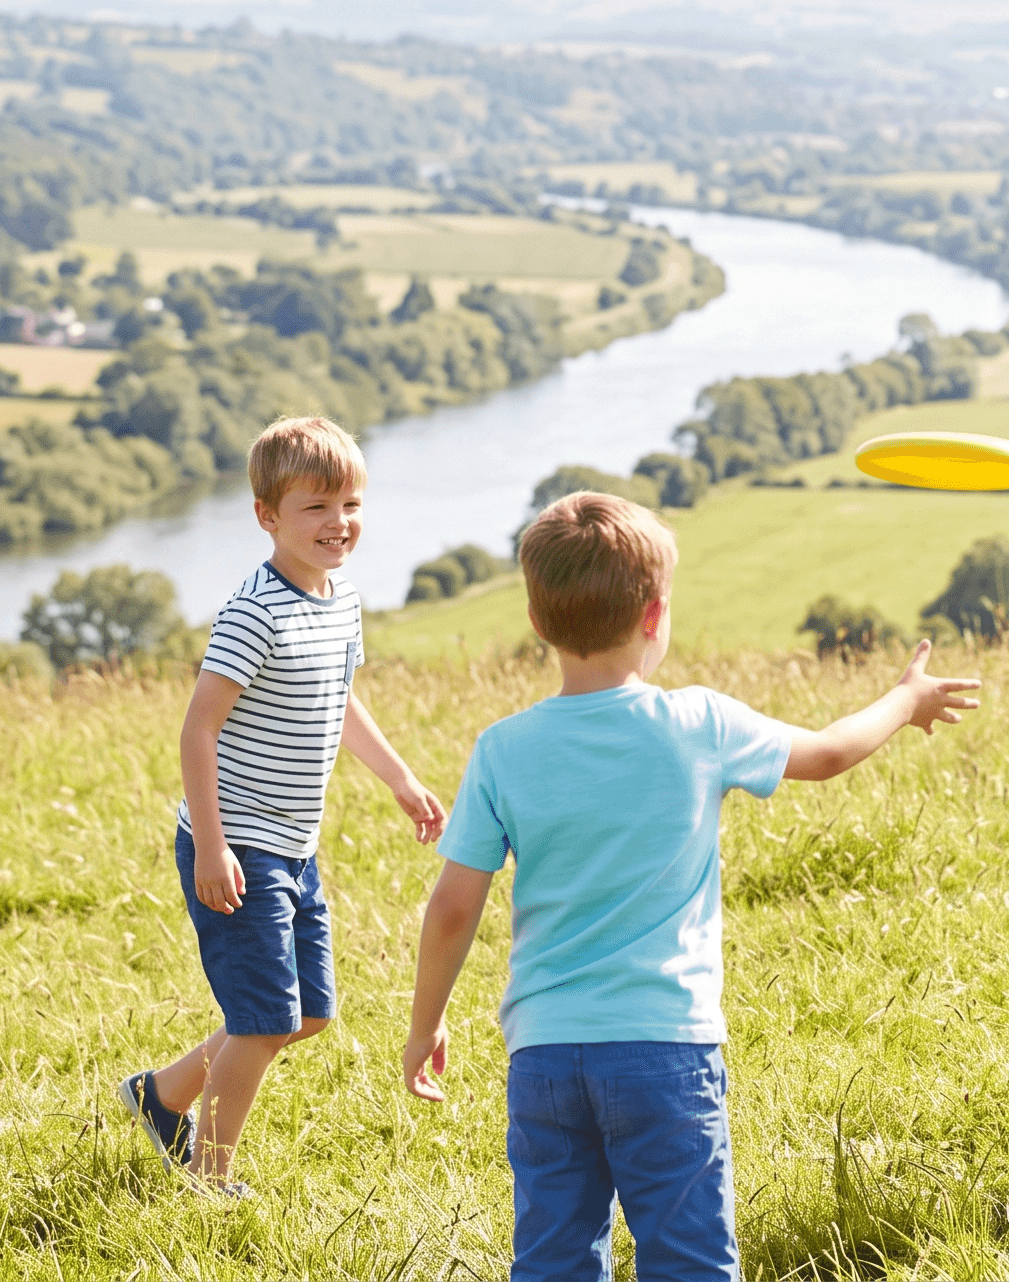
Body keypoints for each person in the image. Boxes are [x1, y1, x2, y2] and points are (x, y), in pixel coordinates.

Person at [398, 492, 978, 1281]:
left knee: (553, 1261)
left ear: (537, 621)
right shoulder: (698, 724)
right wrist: (905, 699)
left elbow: (453, 907)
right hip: (663, 1050)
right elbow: (831, 752)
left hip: (544, 1054)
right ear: (655, 615)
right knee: (689, 1261)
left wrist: (425, 1022)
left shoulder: (502, 749)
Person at [116, 415, 445, 1196]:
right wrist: (212, 845)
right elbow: (199, 726)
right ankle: (208, 1174)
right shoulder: (255, 610)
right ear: (268, 516)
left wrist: (399, 779)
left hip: (295, 846)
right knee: (264, 1018)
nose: (339, 524)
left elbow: (341, 700)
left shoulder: (341, 600)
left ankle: (159, 1097)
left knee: (305, 1016)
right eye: (316, 508)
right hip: (237, 845)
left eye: (352, 505)